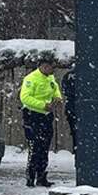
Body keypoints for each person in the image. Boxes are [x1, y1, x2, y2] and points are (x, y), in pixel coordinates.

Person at [20, 58, 62, 187]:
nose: (52, 70)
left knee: (44, 147)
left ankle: (42, 176)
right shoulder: (31, 78)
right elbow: (25, 97)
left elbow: (55, 88)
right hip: (33, 116)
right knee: (35, 147)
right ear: (43, 67)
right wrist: (42, 105)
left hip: (46, 116)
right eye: (50, 67)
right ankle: (30, 177)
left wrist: (58, 97)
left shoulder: (50, 77)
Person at [62, 65, 79, 152]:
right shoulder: (84, 73)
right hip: (79, 107)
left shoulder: (68, 75)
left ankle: (76, 149)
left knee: (74, 132)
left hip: (71, 107)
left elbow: (65, 90)